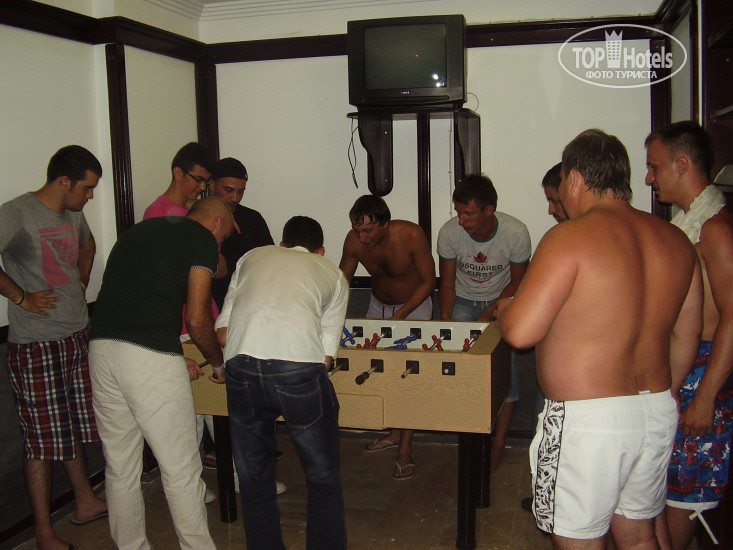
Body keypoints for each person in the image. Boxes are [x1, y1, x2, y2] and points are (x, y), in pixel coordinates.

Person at [496, 129, 703, 549]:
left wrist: (505, 310)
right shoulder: (676, 240)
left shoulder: (569, 237)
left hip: (588, 422)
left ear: (574, 179)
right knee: (640, 535)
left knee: (580, 540)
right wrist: (665, 394)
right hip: (656, 411)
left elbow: (520, 332)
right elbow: (687, 333)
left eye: (561, 185)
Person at [89, 196, 234, 550]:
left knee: (120, 467)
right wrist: (218, 363)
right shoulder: (201, 238)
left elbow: (138, 299)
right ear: (216, 222)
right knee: (181, 468)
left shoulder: (137, 233)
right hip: (148, 357)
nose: (219, 246)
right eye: (225, 237)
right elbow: (197, 319)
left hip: (101, 349)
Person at [215, 216, 349, 550]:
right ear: (320, 250)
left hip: (241, 366)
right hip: (297, 368)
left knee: (253, 477)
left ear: (281, 244)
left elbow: (223, 333)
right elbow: (326, 356)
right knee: (322, 476)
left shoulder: (251, 257)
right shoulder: (332, 272)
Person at [0, 145, 108, 550]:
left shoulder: (72, 212)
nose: (90, 196)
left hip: (75, 335)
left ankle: (85, 502)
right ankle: (44, 533)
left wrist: (81, 279)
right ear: (64, 181)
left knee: (72, 426)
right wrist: (21, 297)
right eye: (86, 188)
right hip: (36, 345)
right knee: (41, 441)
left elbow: (88, 244)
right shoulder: (18, 212)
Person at [645, 120, 733, 549]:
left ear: (681, 165)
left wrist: (705, 397)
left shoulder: (715, 229)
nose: (650, 178)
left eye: (655, 167)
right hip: (681, 370)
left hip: (704, 374)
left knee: (684, 495)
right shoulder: (688, 225)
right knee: (660, 491)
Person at [437, 174, 531, 471]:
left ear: (489, 210)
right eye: (458, 212)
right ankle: (472, 436)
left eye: (468, 213)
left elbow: (518, 282)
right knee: (464, 370)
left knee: (506, 372)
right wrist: (448, 322)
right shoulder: (449, 232)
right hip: (463, 300)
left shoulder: (515, 232)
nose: (461, 220)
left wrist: (490, 313)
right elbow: (447, 283)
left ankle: (498, 441)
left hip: (503, 301)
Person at [339, 194, 436, 480]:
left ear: (384, 223)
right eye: (357, 230)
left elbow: (429, 281)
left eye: (368, 230)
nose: (362, 237)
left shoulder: (411, 235)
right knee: (380, 372)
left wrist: (402, 315)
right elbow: (342, 282)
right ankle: (394, 432)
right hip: (378, 306)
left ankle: (405, 448)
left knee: (408, 377)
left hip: (414, 306)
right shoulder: (354, 241)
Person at [208, 157, 274, 310]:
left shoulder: (253, 219)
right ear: (212, 185)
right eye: (228, 190)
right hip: (208, 307)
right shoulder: (198, 218)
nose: (235, 198)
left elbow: (269, 263)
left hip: (246, 306)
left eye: (240, 192)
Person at [143, 142, 213, 219]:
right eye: (198, 179)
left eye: (206, 181)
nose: (203, 187)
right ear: (178, 173)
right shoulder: (157, 212)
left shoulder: (197, 209)